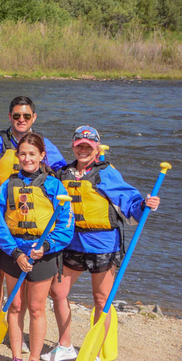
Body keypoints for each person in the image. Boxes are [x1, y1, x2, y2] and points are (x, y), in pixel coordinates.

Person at [42, 126, 161, 361]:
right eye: (79, 146)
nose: (83, 150)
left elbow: (131, 202)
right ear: (73, 147)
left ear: (96, 149)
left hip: (103, 245)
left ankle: (94, 352)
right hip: (72, 243)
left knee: (101, 299)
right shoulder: (63, 173)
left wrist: (146, 204)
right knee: (58, 292)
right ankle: (65, 346)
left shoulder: (106, 173)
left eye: (88, 147)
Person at [0, 96, 67, 324]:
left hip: (30, 221)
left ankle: (17, 325)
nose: (21, 120)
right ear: (10, 116)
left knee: (26, 277)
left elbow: (64, 174)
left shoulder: (43, 145)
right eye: (16, 115)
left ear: (34, 117)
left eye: (26, 116)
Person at [0, 132, 74, 361]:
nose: (27, 159)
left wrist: (46, 246)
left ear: (42, 155)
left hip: (43, 256)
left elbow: (66, 225)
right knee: (15, 306)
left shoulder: (54, 186)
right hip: (13, 253)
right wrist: (16, 253)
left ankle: (34, 357)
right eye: (23, 154)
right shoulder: (7, 186)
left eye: (32, 154)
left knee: (37, 308)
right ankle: (17, 356)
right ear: (17, 156)